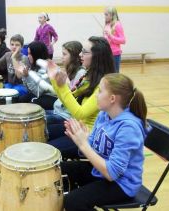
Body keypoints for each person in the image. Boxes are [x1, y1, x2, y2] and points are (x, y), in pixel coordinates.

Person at [62, 73, 148, 211]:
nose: (96, 95)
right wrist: (80, 139)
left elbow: (111, 173)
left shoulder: (128, 127)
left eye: (100, 91)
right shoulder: (104, 114)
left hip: (122, 184)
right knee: (60, 169)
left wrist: (83, 144)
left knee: (73, 201)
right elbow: (94, 149)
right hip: (101, 171)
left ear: (112, 98)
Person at [46, 36, 115, 159]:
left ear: (97, 57)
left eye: (84, 51)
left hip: (89, 137)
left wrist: (61, 87)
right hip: (78, 129)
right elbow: (67, 101)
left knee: (47, 151)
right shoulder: (90, 77)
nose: (80, 54)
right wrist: (55, 81)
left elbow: (80, 113)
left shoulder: (104, 85)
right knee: (43, 131)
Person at [13, 41, 57, 110]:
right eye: (28, 53)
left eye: (30, 54)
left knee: (32, 103)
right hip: (41, 95)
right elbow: (29, 90)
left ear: (36, 54)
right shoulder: (35, 65)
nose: (28, 56)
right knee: (20, 99)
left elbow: (37, 92)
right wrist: (24, 75)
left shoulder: (46, 67)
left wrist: (27, 76)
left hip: (51, 97)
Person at [104, 6, 126, 72]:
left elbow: (123, 40)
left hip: (115, 54)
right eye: (104, 14)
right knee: (108, 74)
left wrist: (111, 36)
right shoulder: (107, 24)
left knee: (115, 74)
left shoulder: (117, 24)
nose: (105, 16)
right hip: (106, 53)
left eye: (106, 14)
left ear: (112, 15)